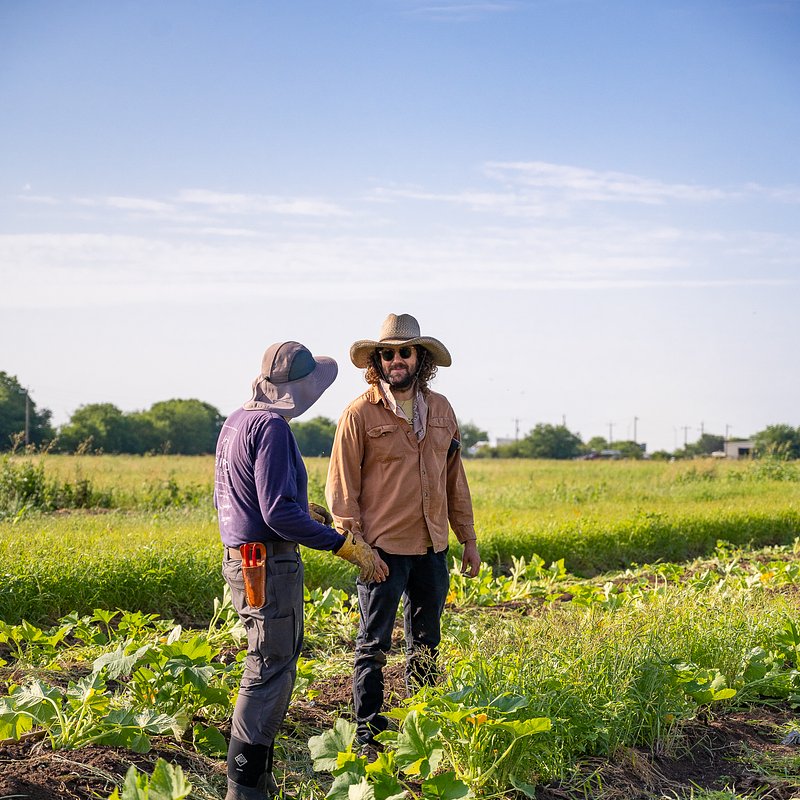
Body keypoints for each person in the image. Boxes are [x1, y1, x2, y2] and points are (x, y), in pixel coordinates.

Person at [215, 341, 381, 800]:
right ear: (299, 390)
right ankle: (244, 788)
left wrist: (301, 510)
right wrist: (343, 544)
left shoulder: (237, 421)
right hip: (268, 563)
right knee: (269, 668)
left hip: (244, 559)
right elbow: (276, 514)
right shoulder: (273, 429)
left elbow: (246, 497)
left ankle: (259, 780)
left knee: (270, 663)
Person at [325, 313, 480, 750]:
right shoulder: (358, 413)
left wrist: (467, 538)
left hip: (432, 547)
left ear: (419, 358)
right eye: (388, 353)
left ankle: (423, 727)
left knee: (427, 642)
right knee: (373, 645)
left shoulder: (443, 410)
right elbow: (342, 489)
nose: (396, 359)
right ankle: (367, 735)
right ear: (378, 360)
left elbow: (455, 478)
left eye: (404, 352)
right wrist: (356, 549)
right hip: (381, 551)